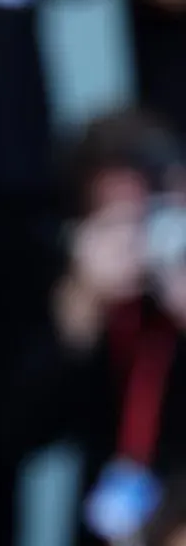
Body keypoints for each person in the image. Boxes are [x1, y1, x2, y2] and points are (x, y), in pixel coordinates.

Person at [46, 109, 186, 546]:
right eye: (113, 223)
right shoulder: (75, 290)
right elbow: (8, 435)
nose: (134, 240)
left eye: (145, 216)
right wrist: (80, 309)